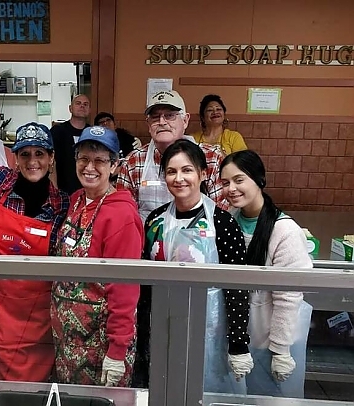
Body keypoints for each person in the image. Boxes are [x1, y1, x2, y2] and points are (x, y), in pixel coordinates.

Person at [139, 139, 252, 390]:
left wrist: (238, 343)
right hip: (163, 326)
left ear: (202, 174)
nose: (179, 178)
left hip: (210, 330)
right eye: (171, 171)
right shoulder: (155, 222)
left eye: (187, 170)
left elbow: (237, 288)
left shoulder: (222, 224)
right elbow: (144, 286)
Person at [0, 122, 69, 382]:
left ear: (51, 158)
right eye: (25, 154)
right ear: (15, 159)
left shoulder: (64, 203)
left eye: (40, 154)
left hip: (41, 320)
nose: (33, 161)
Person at [51, 126, 142, 387]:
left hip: (101, 343)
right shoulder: (77, 200)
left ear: (114, 166)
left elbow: (124, 288)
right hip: (68, 341)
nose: (90, 167)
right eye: (84, 159)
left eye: (100, 160)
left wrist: (117, 350)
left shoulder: (121, 215)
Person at [221, 150, 312, 398]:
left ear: (259, 179)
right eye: (225, 182)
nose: (231, 189)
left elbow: (288, 296)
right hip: (237, 338)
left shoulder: (285, 231)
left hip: (271, 341)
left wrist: (280, 350)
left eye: (239, 180)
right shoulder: (228, 221)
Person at [117, 90, 228, 224]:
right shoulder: (133, 162)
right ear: (148, 125)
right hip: (148, 241)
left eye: (170, 115)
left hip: (200, 240)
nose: (162, 122)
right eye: (155, 117)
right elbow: (125, 216)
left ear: (185, 120)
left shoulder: (212, 159)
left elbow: (221, 214)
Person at [50, 94, 91, 194]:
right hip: (62, 190)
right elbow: (51, 161)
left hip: (88, 190)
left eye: (86, 104)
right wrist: (54, 189)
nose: (82, 106)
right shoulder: (57, 131)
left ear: (90, 110)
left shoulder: (93, 133)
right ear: (70, 108)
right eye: (78, 103)